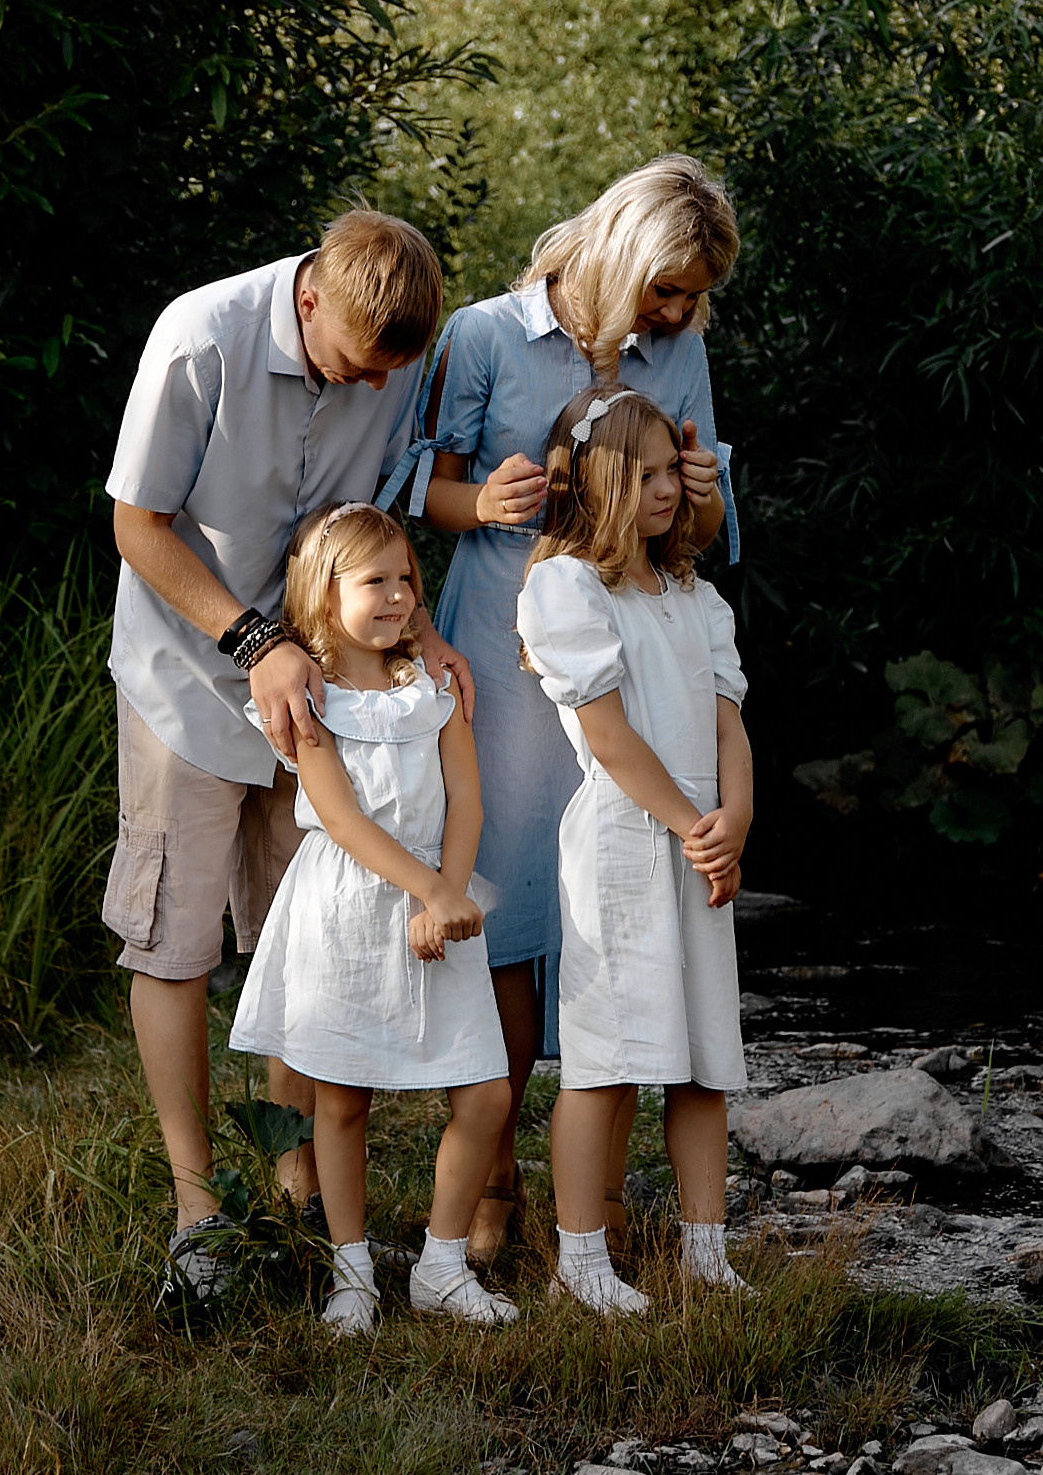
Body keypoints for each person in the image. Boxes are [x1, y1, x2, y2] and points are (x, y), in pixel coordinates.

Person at [103, 211, 467, 1311]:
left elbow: (385, 510)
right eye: (359, 366)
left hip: (326, 694)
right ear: (310, 298)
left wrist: (421, 626)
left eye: (390, 374)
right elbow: (137, 522)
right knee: (175, 937)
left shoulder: (397, 357)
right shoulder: (198, 340)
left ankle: (297, 1186)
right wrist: (256, 641)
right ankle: (197, 1209)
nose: (374, 390)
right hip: (189, 677)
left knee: (297, 932)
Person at [390, 154, 741, 1265]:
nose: (681, 315)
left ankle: (586, 1193)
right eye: (668, 290)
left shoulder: (679, 353)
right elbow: (419, 491)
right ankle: (492, 1172)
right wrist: (477, 498)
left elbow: (711, 525)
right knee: (515, 914)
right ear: (623, 255)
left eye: (692, 300)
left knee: (622, 904)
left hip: (630, 650)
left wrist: (701, 494)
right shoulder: (489, 335)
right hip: (507, 639)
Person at [227, 503, 516, 1335]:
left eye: (406, 579)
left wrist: (449, 892)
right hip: (350, 904)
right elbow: (344, 820)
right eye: (374, 581)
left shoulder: (433, 685)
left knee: (486, 1093)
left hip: (444, 898)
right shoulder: (309, 699)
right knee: (342, 1097)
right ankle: (351, 1271)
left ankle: (439, 1261)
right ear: (322, 596)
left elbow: (465, 796)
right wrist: (428, 892)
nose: (397, 596)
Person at [515, 386, 753, 1316]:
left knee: (702, 1059)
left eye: (672, 472)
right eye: (646, 474)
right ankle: (579, 1260)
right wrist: (693, 826)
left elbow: (730, 724)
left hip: (701, 844)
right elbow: (608, 735)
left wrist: (732, 819)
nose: (670, 490)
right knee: (606, 1055)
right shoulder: (566, 586)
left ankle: (705, 1249)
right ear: (601, 480)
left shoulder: (694, 594)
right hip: (623, 836)